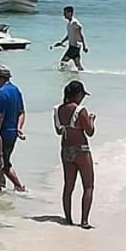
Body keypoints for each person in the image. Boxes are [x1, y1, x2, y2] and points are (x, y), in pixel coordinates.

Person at [54, 80, 96, 228]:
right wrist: (91, 120)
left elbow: (59, 131)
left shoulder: (58, 110)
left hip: (65, 149)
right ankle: (84, 221)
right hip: (81, 149)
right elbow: (90, 132)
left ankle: (68, 219)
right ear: (78, 94)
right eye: (82, 95)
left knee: (68, 186)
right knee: (88, 186)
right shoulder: (80, 110)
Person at [0, 65, 26, 192]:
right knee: (5, 163)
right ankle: (19, 187)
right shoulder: (16, 90)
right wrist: (19, 128)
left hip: (2, 135)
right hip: (12, 135)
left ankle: (0, 190)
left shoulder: (1, 94)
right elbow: (22, 112)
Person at [51, 6, 87, 71]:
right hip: (74, 47)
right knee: (77, 64)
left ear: (70, 13)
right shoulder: (69, 24)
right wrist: (61, 42)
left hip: (74, 47)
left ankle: (64, 76)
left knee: (63, 62)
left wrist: (85, 46)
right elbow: (69, 35)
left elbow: (81, 34)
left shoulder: (74, 23)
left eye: (65, 13)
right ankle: (81, 75)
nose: (63, 15)